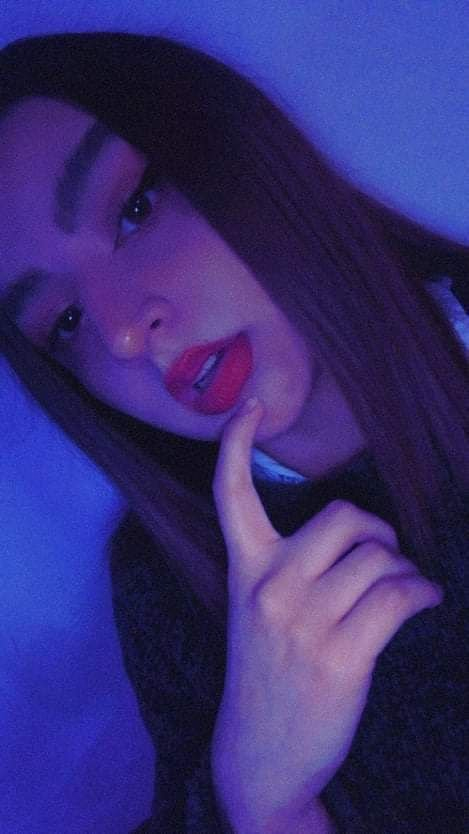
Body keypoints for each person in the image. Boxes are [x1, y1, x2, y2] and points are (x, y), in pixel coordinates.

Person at [0, 30, 468, 833]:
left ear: (236, 159)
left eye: (134, 211)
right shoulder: (167, 591)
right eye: (65, 321)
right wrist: (258, 800)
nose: (122, 333)